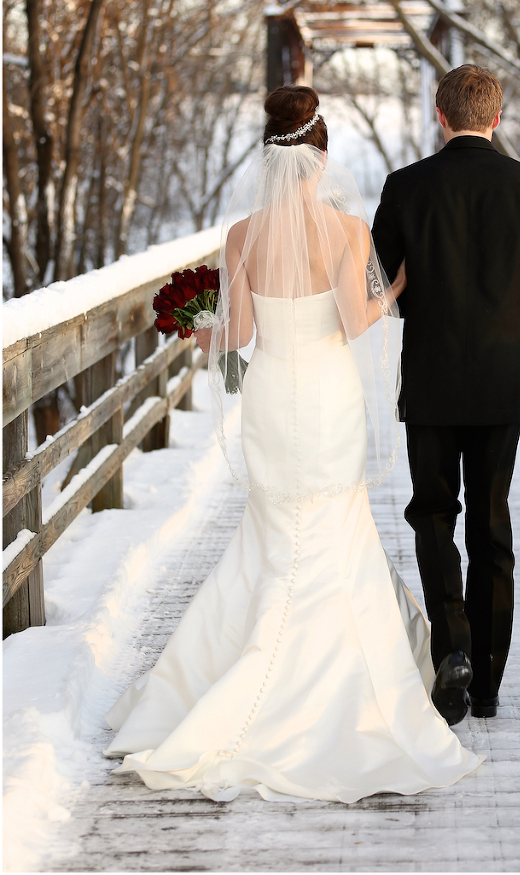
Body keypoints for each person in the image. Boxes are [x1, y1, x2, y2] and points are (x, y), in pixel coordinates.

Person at [103, 85, 481, 803]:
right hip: (331, 396)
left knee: (275, 529)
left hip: (272, 396)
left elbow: (238, 338)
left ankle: (233, 685)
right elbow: (358, 319)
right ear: (323, 155)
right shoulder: (348, 233)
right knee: (336, 524)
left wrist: (196, 322)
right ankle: (343, 684)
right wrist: (395, 283)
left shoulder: (244, 236)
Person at [372, 64, 520, 726]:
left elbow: (379, 289)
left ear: (439, 116)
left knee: (432, 517)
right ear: (496, 118)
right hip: (501, 380)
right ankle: (488, 685)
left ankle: (453, 650)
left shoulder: (404, 188)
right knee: (492, 527)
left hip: (429, 379)